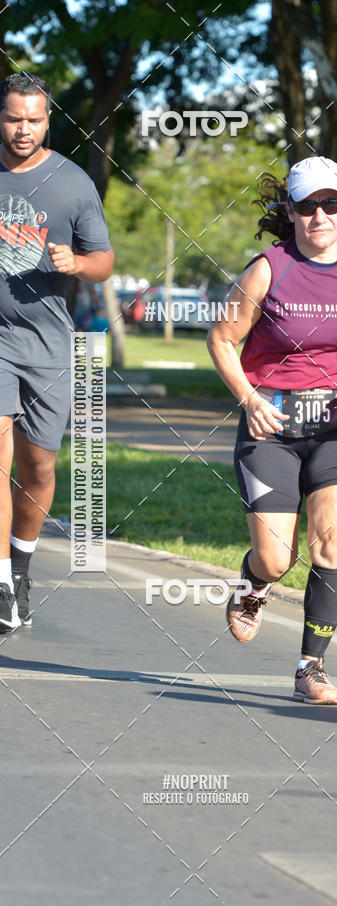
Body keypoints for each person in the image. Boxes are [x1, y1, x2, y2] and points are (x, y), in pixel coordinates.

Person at [208, 156, 337, 704]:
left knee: (330, 546)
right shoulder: (268, 269)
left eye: (331, 204)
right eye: (307, 205)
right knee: (275, 558)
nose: (320, 215)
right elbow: (222, 339)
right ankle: (254, 585)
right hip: (272, 424)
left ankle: (310, 666)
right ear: (289, 211)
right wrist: (248, 399)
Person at [0, 71, 114, 630]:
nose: (23, 129)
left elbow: (104, 260)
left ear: (49, 120)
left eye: (34, 119)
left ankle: (20, 565)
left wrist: (77, 264)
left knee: (38, 466)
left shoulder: (72, 182)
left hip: (46, 340)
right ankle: (0, 583)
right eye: (13, 118)